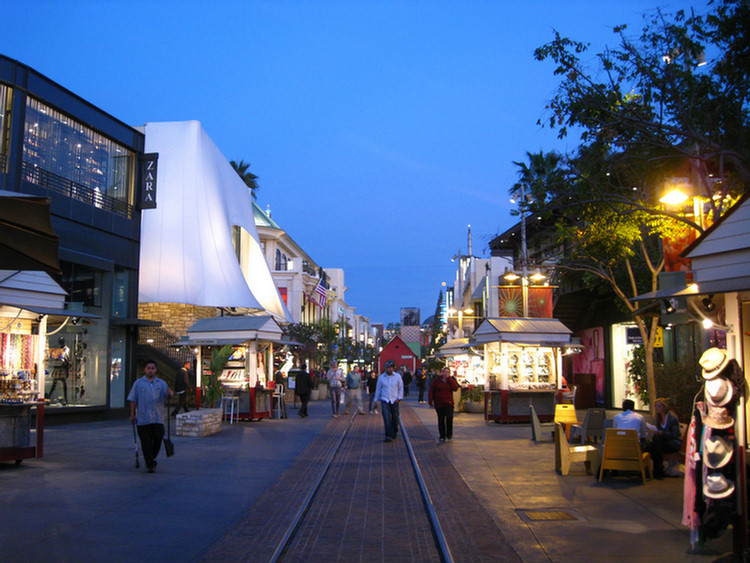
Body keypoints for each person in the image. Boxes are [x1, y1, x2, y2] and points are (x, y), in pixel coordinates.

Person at [128, 360, 173, 473]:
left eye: (152, 368)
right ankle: (150, 464)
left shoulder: (161, 383)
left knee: (158, 439)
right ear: (145, 370)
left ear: (156, 370)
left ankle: (151, 457)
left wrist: (169, 394)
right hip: (143, 419)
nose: (150, 370)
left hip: (157, 418)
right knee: (145, 442)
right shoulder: (138, 383)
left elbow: (168, 395)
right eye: (148, 368)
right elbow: (133, 399)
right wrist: (132, 414)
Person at [646, 398, 681, 479]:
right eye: (655, 406)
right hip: (661, 443)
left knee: (654, 443)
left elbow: (676, 434)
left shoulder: (672, 419)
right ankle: (658, 470)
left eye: (659, 406)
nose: (656, 408)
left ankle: (657, 470)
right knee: (653, 445)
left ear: (664, 407)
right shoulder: (657, 418)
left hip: (672, 443)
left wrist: (662, 433)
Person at [373, 360, 403, 442]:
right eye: (387, 368)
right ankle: (388, 435)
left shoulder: (398, 377)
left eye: (390, 368)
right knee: (386, 418)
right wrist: (376, 400)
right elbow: (378, 389)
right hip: (385, 400)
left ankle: (394, 430)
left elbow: (401, 388)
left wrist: (399, 398)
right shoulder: (381, 378)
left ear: (393, 368)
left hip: (394, 400)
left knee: (395, 418)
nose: (389, 369)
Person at [429, 367, 459, 442]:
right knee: (441, 419)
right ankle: (442, 435)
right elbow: (432, 390)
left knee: (449, 418)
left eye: (448, 372)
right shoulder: (437, 380)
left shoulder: (451, 380)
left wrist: (449, 379)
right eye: (445, 372)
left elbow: (455, 388)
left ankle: (449, 434)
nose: (446, 373)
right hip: (439, 403)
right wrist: (430, 400)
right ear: (442, 372)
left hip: (449, 403)